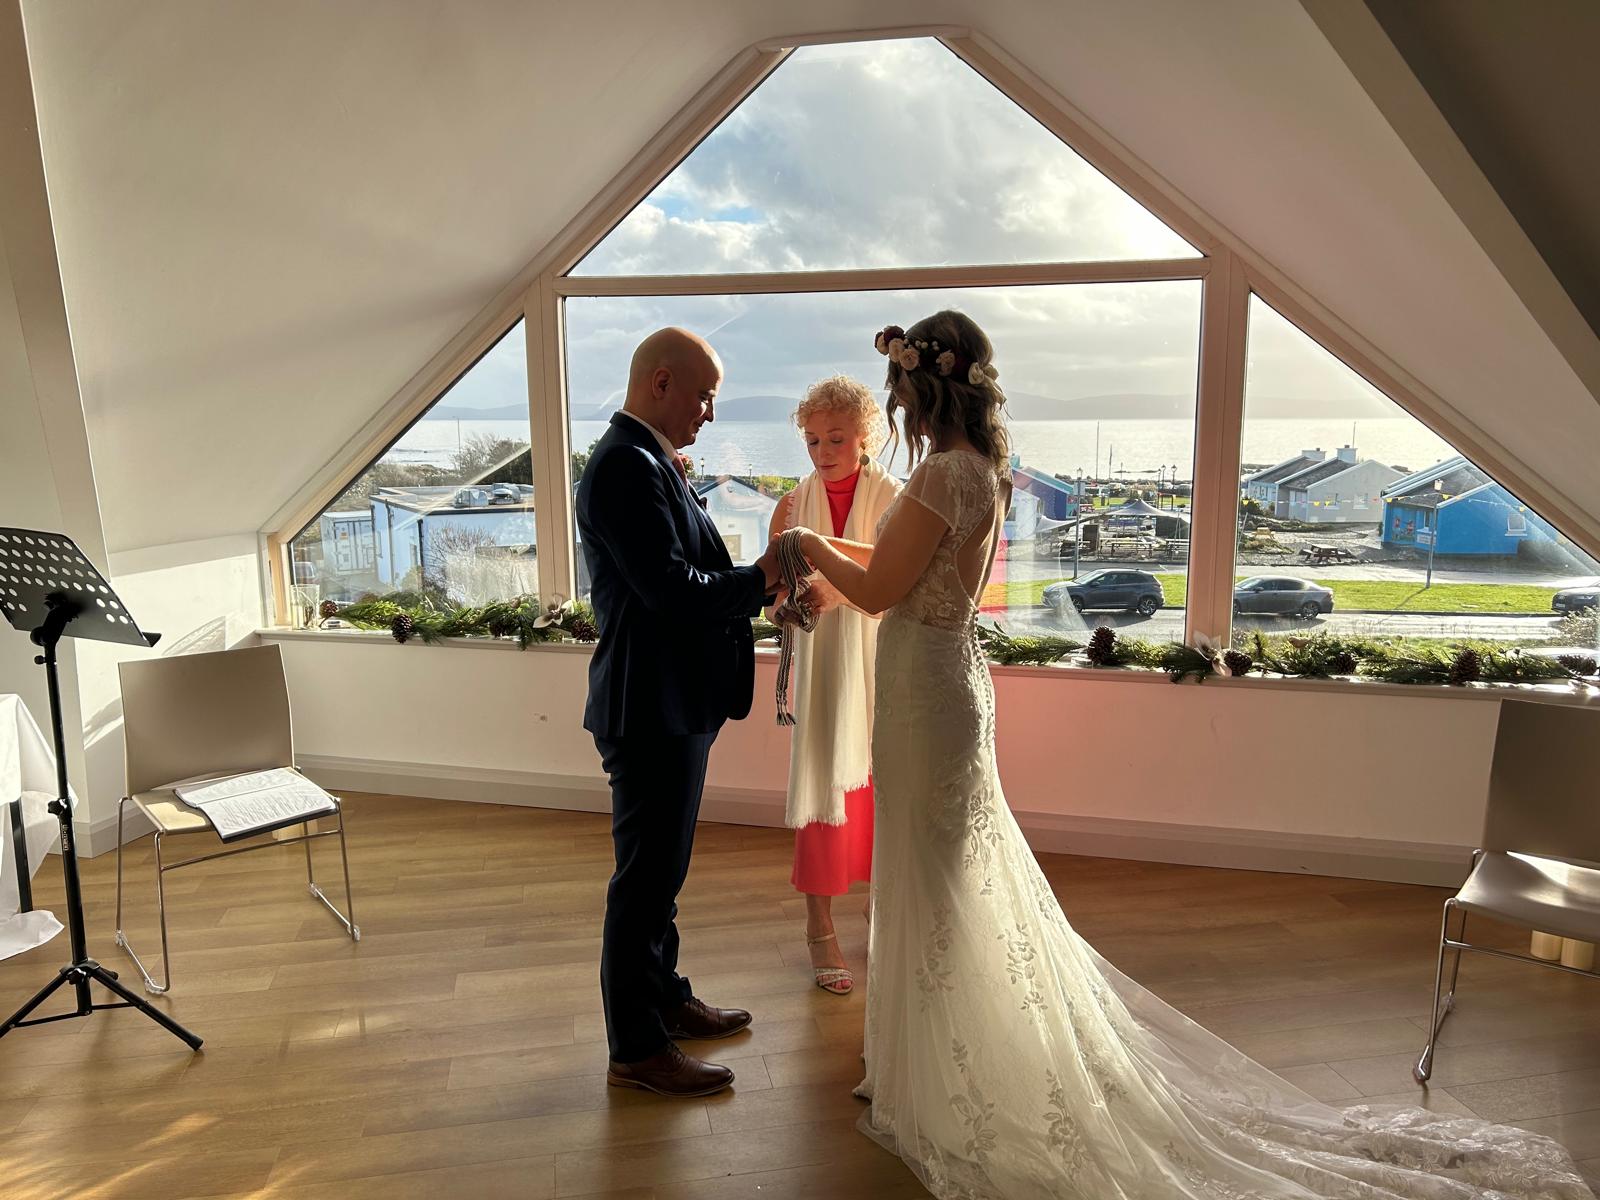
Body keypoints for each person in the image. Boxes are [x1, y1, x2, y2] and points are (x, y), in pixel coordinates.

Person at [795, 311, 1591, 1198]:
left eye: (898, 390)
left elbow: (878, 588)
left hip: (922, 694)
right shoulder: (983, 471)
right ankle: (928, 1049)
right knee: (945, 870)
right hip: (947, 681)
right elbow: (900, 568)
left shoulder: (942, 471)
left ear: (919, 389)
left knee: (931, 872)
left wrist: (801, 544)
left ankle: (941, 1065)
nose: (897, 403)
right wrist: (839, 567)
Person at [576, 327, 784, 1099]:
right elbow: (670, 591)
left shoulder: (645, 460)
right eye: (704, 395)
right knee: (643, 883)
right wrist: (761, 579)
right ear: (660, 383)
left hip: (673, 701)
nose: (709, 413)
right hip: (648, 705)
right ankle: (636, 1047)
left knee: (662, 876)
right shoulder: (623, 467)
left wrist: (754, 583)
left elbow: (690, 571)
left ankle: (664, 998)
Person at [768, 376, 900, 995]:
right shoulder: (792, 506)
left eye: (836, 438)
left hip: (881, 662)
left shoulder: (896, 497)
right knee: (823, 786)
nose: (823, 452)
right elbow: (774, 587)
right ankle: (819, 928)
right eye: (813, 439)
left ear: (865, 435)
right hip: (822, 669)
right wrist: (784, 607)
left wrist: (837, 589)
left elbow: (897, 572)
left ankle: (883, 910)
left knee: (882, 791)